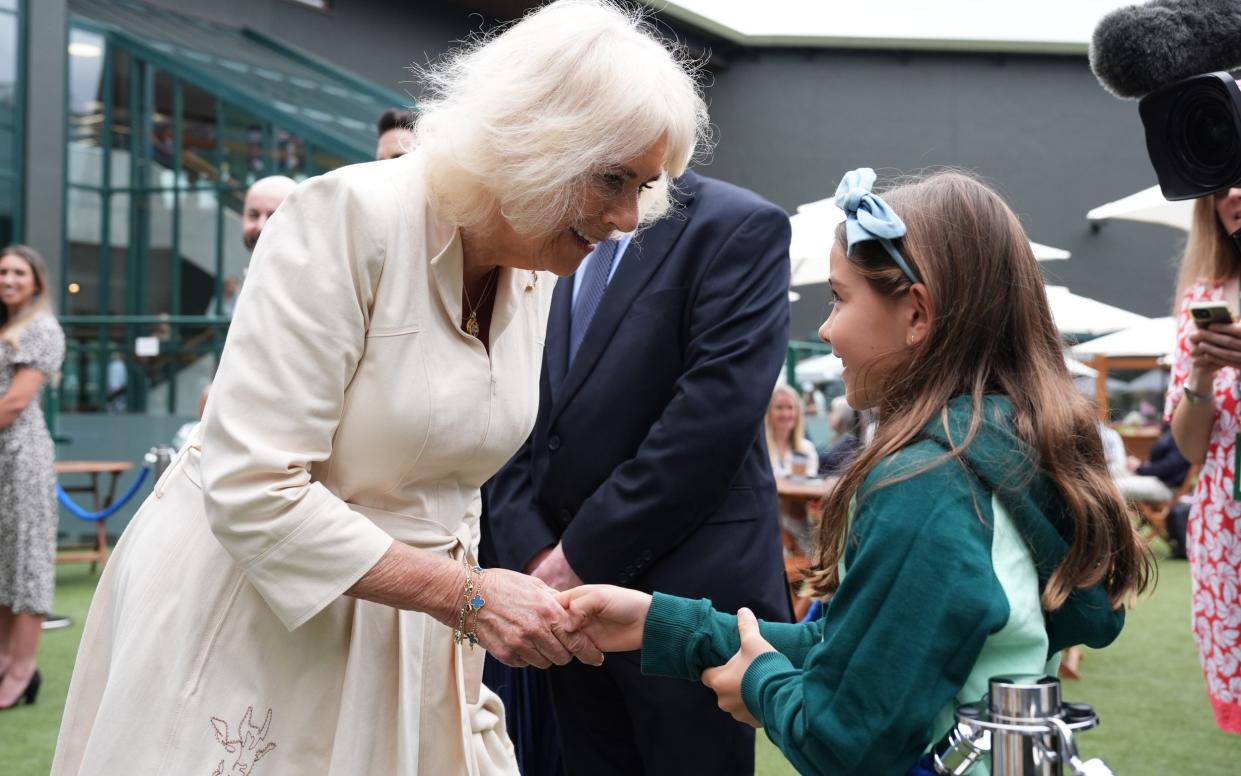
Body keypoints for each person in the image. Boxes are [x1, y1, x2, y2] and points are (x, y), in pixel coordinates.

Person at [51, 2, 708, 773]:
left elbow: (452, 478)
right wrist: (466, 595)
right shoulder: (346, 216)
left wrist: (472, 598)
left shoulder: (535, 265)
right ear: (535, 140)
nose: (631, 217)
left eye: (645, 185)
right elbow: (252, 485)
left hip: (418, 627)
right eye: (612, 179)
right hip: (262, 615)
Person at [556, 168, 1152, 775]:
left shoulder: (929, 481)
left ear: (917, 314)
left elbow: (845, 740)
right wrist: (660, 625)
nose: (824, 328)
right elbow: (859, 647)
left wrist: (761, 682)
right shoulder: (1012, 451)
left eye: (839, 298)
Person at [482, 165, 791, 771]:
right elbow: (505, 401)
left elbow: (707, 425)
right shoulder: (538, 229)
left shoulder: (736, 225)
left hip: (690, 603)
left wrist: (572, 563)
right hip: (559, 607)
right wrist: (532, 558)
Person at [1165, 184, 1241, 735]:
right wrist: (1202, 375)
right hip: (1225, 536)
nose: (1233, 191)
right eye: (1217, 185)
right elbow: (1193, 449)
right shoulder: (1204, 294)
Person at [0, 244, 65, 711]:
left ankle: (22, 669)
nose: (7, 279)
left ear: (36, 281)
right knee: (4, 565)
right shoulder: (6, 328)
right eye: (2, 271)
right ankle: (5, 659)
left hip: (21, 459)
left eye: (18, 272)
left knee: (26, 562)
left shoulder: (40, 328)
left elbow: (15, 402)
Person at [767, 383, 819, 478]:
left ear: (798, 413)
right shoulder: (761, 449)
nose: (785, 414)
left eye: (790, 407)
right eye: (779, 407)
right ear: (769, 412)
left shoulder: (807, 448)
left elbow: (809, 483)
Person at [818, 394, 861, 475]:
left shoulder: (850, 444)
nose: (830, 415)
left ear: (844, 414)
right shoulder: (837, 439)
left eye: (833, 411)